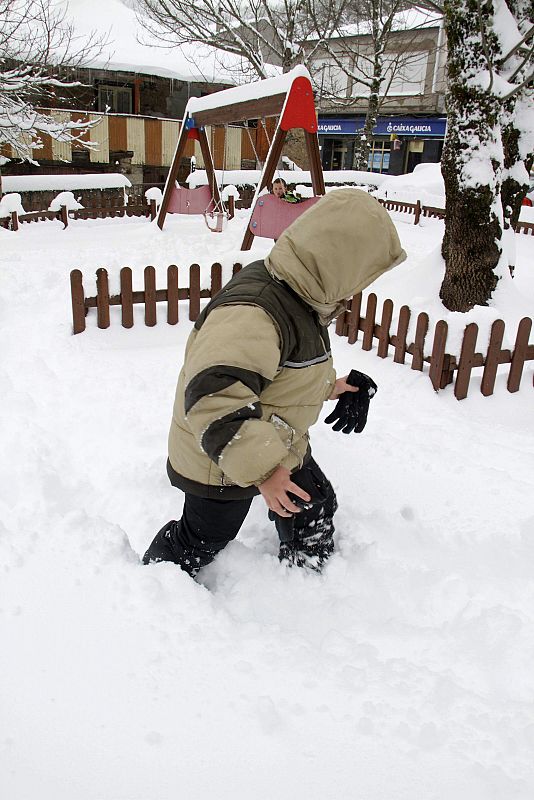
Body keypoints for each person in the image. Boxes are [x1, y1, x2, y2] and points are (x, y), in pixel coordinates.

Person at [143, 189, 406, 576]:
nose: (357, 290)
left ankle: (303, 581)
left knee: (313, 505)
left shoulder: (299, 291)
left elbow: (282, 374)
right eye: (360, 277)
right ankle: (153, 583)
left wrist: (335, 386)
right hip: (219, 455)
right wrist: (266, 472)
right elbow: (214, 398)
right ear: (338, 262)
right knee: (204, 537)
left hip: (272, 438)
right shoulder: (256, 310)